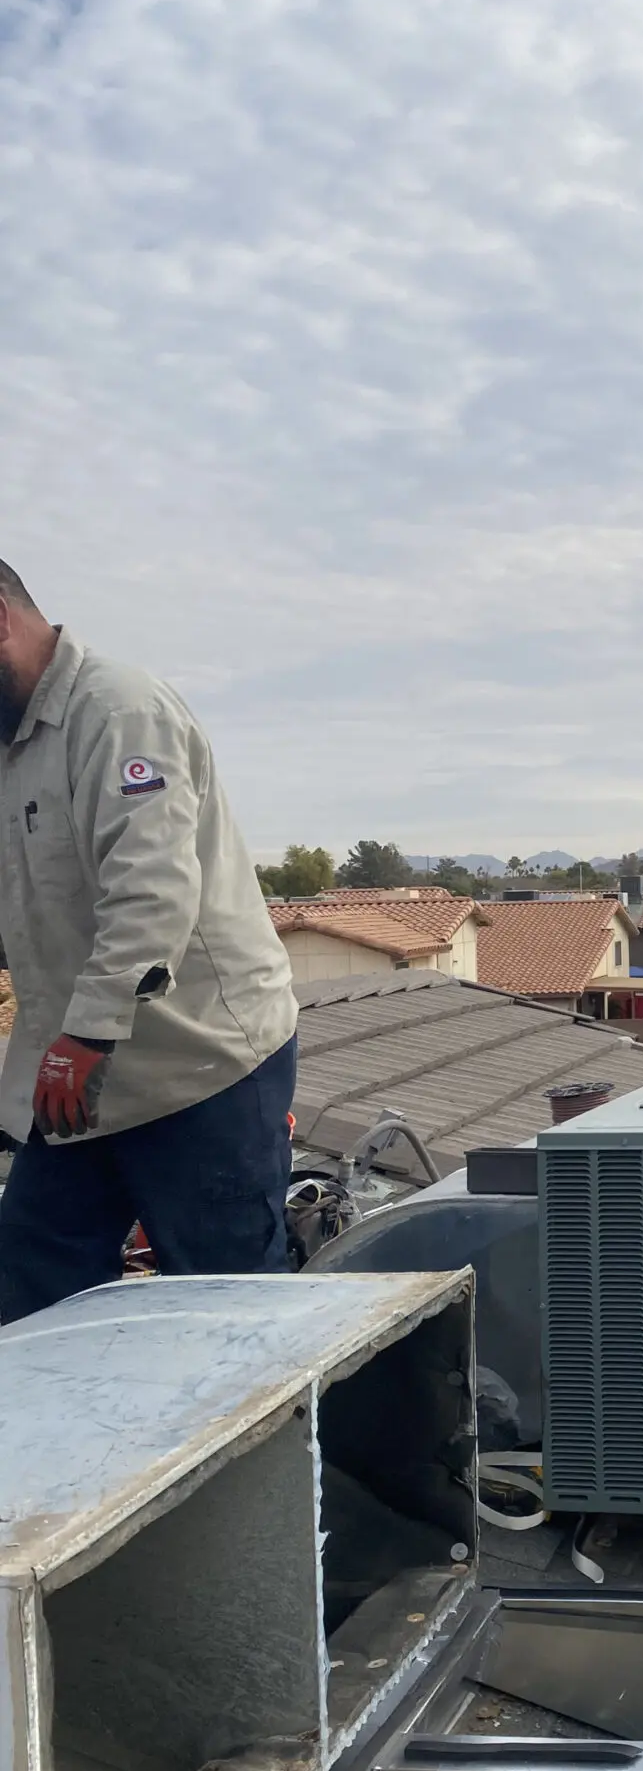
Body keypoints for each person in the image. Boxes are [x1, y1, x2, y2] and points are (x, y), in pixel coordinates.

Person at [0, 563, 299, 1320]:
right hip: (78, 1077)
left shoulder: (119, 712)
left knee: (227, 1307)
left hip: (200, 1069)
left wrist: (88, 1031)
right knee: (34, 1287)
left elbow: (151, 891)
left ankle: (280, 1441)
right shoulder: (13, 749)